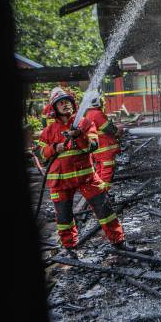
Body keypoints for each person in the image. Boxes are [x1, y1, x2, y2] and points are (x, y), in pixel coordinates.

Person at [35, 87, 127, 253]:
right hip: (60, 181)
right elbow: (39, 154)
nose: (65, 105)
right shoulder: (49, 131)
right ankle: (70, 248)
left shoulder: (84, 123)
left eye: (67, 102)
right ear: (54, 108)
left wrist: (79, 136)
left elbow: (93, 146)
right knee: (64, 218)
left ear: (73, 104)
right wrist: (54, 147)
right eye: (61, 103)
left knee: (105, 210)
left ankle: (119, 242)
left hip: (87, 177)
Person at [81, 91, 122, 193]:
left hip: (98, 150)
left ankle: (98, 191)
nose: (104, 102)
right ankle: (104, 193)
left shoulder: (88, 114)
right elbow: (109, 129)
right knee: (107, 171)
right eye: (102, 100)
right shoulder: (97, 114)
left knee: (99, 171)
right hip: (105, 150)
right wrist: (118, 130)